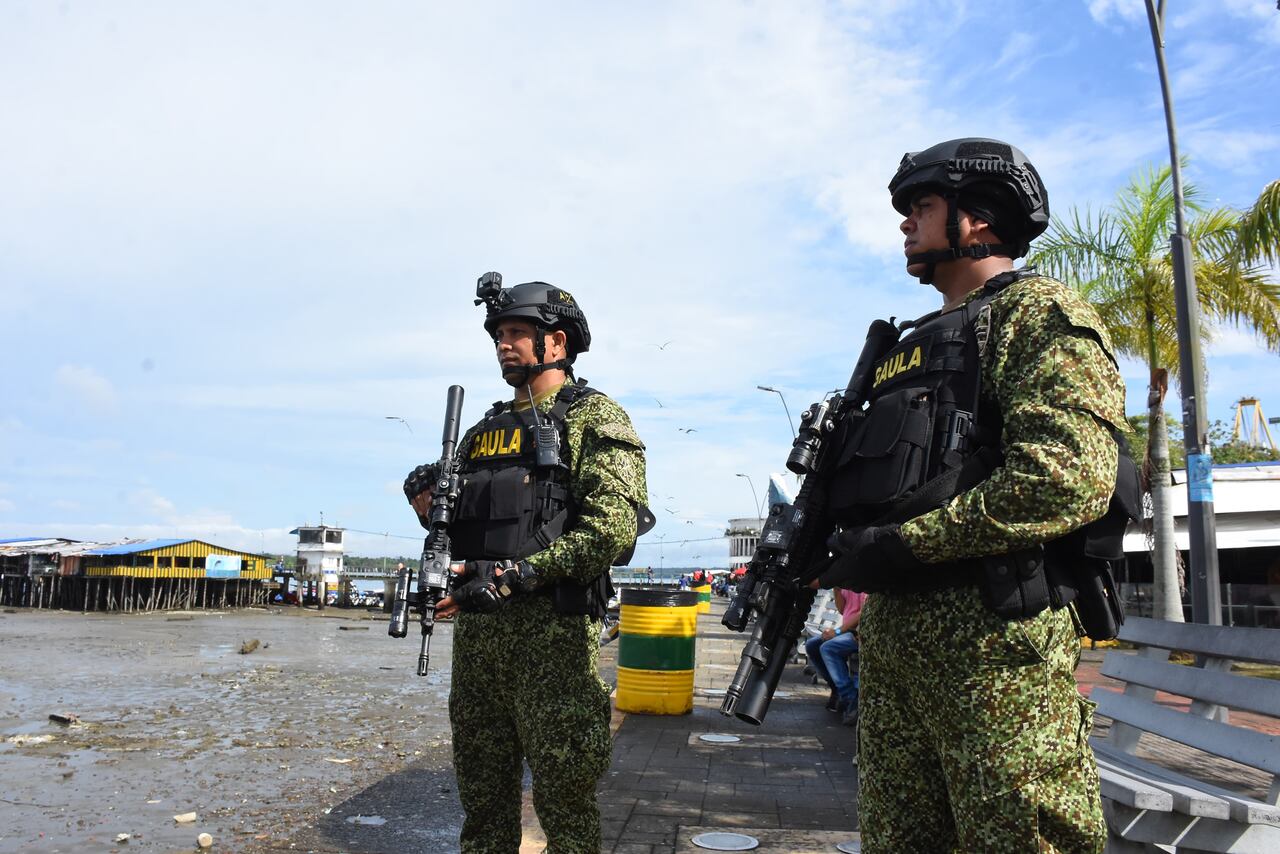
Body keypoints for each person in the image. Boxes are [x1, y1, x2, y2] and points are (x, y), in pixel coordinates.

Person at [809, 139, 1126, 851]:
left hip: (995, 654)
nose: (904, 224)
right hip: (896, 651)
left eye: (920, 206)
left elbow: (1065, 477)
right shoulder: (905, 348)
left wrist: (904, 545)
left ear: (978, 220)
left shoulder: (1036, 315)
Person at [403, 275, 649, 853]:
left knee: (565, 806)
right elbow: (470, 537)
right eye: (498, 335)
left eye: (517, 333)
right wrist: (433, 518)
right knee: (483, 805)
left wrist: (516, 579)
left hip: (554, 644)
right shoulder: (482, 431)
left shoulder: (596, 418)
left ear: (557, 344)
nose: (503, 345)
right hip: (481, 647)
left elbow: (613, 531)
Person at [803, 587, 865, 725]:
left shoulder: (864, 578)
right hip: (847, 630)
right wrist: (837, 590)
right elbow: (843, 610)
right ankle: (837, 689)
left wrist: (836, 632)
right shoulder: (848, 580)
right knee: (813, 646)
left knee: (828, 648)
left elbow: (863, 612)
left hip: (860, 632)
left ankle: (850, 698)